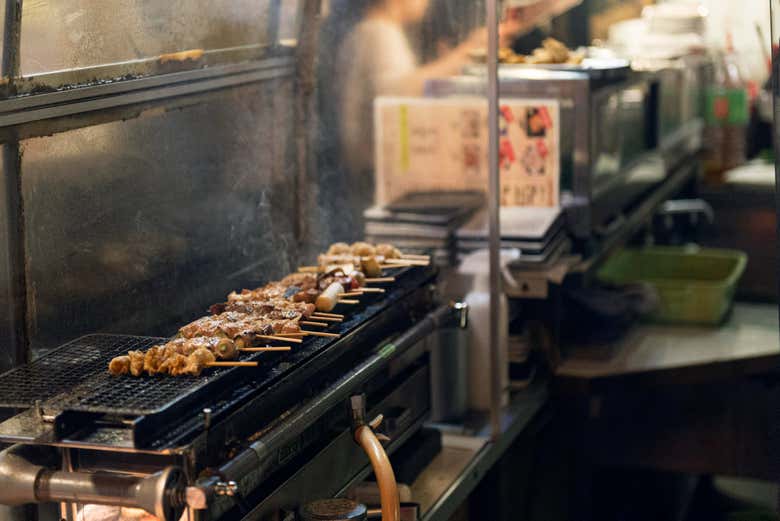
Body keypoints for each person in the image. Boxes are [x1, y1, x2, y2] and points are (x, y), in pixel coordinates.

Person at [332, 0, 522, 180]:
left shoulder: (379, 30)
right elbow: (397, 94)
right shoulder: (377, 32)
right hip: (371, 173)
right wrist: (468, 52)